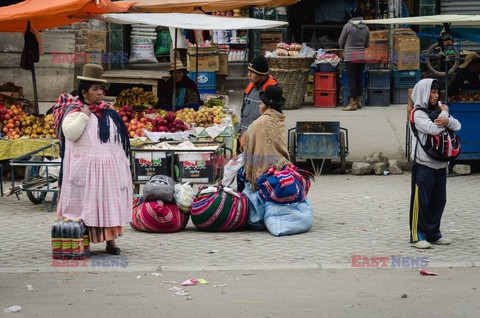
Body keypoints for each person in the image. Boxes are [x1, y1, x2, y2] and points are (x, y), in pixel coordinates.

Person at [53, 64, 132, 255]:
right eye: (95, 89)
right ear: (84, 92)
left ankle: (110, 241)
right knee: (83, 207)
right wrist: (84, 116)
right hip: (86, 170)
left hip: (108, 170)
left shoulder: (109, 111)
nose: (100, 93)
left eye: (101, 89)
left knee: (108, 203)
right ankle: (81, 242)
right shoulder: (74, 111)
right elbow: (70, 133)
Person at [409, 78, 461, 249]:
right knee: (421, 202)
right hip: (424, 164)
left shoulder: (439, 110)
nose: (436, 95)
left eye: (437, 92)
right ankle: (417, 236)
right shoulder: (418, 113)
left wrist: (447, 119)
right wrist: (445, 116)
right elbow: (434, 128)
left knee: (439, 201)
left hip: (440, 164)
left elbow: (457, 125)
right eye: (432, 92)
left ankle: (433, 234)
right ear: (424, 93)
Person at [241, 85, 291, 191]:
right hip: (282, 164)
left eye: (261, 103)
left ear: (268, 107)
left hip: (264, 170)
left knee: (238, 174)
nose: (259, 106)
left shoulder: (259, 123)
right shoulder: (280, 120)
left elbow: (247, 146)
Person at [338, 7, 370, 111]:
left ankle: (352, 104)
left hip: (350, 57)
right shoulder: (366, 28)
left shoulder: (348, 26)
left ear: (351, 16)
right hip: (361, 57)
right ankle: (358, 101)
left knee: (351, 80)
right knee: (359, 79)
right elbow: (367, 44)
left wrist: (344, 48)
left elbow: (341, 41)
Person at [240, 55, 278, 131]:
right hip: (245, 134)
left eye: (252, 73)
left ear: (261, 75)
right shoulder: (250, 87)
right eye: (249, 71)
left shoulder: (271, 91)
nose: (248, 75)